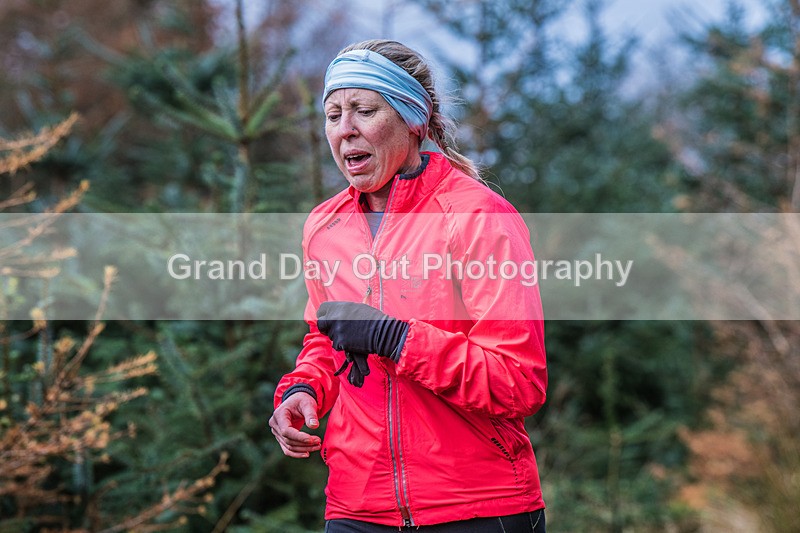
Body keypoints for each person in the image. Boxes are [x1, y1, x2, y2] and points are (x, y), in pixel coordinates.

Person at [269, 39, 547, 533]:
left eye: (364, 110)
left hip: (476, 507)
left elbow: (518, 381)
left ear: (413, 118)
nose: (345, 129)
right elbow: (325, 339)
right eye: (333, 115)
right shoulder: (324, 228)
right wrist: (304, 387)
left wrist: (397, 339)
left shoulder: (478, 218)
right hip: (357, 509)